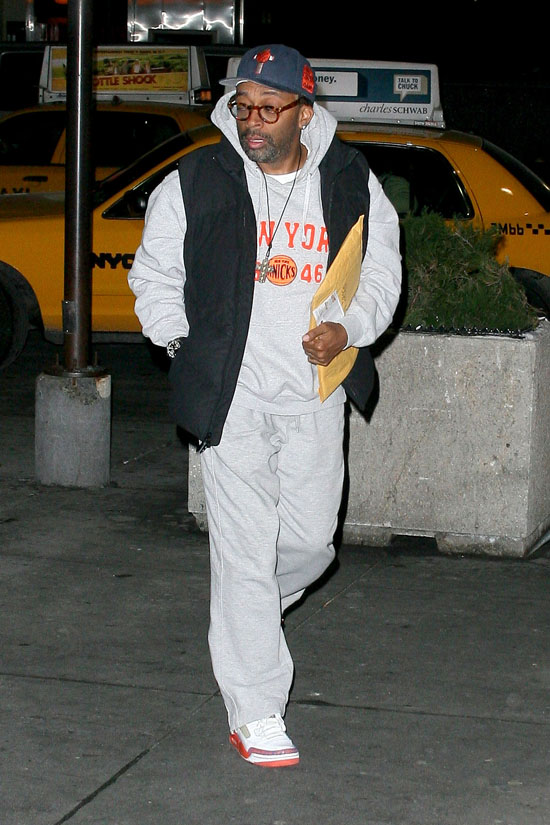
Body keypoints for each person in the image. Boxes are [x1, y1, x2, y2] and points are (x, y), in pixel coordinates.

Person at [128, 44, 401, 768]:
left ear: (305, 113)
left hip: (314, 393)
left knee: (312, 544)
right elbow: (154, 271)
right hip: (233, 397)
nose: (252, 121)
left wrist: (349, 327)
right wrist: (182, 340)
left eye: (269, 109)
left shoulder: (348, 177)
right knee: (246, 552)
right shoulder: (198, 177)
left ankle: (243, 619)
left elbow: (381, 269)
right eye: (242, 105)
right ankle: (256, 710)